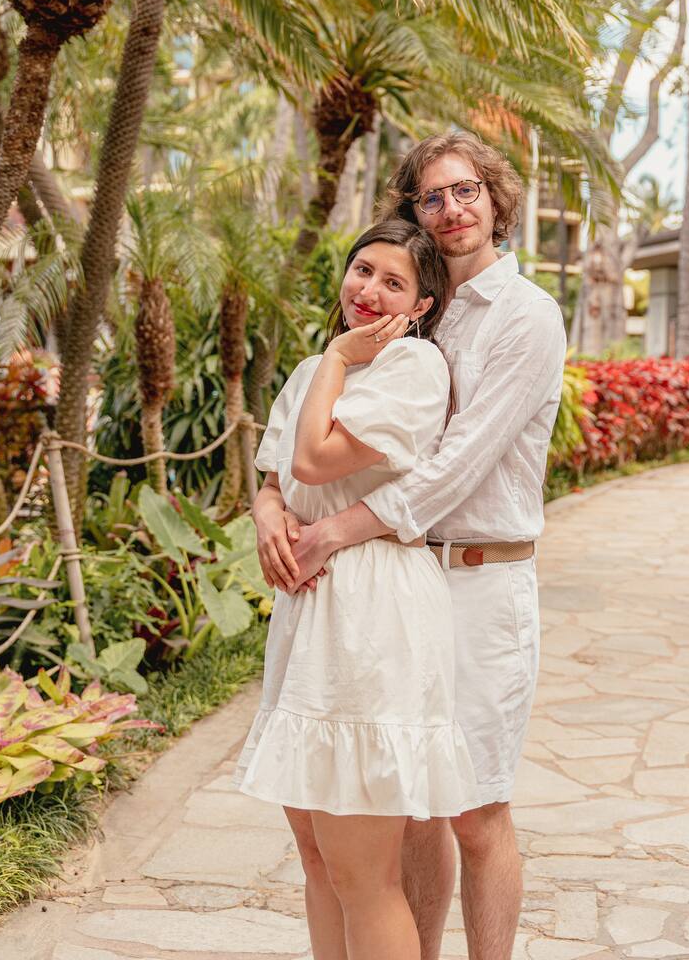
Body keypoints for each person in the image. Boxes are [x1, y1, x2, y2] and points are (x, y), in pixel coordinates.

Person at [255, 132, 567, 960]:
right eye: (432, 196)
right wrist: (269, 508)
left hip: (481, 576)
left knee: (477, 812)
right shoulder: (410, 314)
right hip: (399, 584)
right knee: (411, 808)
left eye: (466, 191)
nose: (451, 208)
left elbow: (458, 466)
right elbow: (291, 453)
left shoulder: (526, 316)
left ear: (496, 199)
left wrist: (331, 532)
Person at [235, 219, 479, 960]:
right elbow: (276, 481)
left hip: (373, 613)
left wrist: (341, 355)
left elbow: (314, 460)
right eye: (362, 270)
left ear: (422, 305)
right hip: (308, 614)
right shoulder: (316, 369)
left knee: (364, 875)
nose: (368, 290)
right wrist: (267, 517)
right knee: (317, 861)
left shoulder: (413, 367)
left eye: (393, 282)